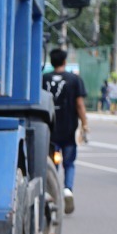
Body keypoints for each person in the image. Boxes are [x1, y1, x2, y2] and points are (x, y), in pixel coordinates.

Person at [42, 48, 87, 214]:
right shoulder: (74, 80)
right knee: (69, 163)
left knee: (51, 164)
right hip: (68, 130)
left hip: (49, 129)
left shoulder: (43, 79)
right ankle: (67, 190)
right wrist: (85, 124)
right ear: (65, 61)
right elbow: (80, 104)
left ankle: (50, 194)